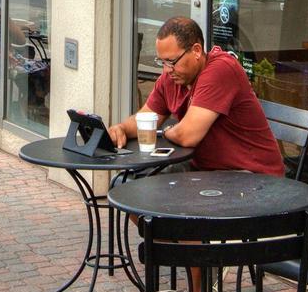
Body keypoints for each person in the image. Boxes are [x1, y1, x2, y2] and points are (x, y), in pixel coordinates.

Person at [107, 16, 285, 177]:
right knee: (130, 185)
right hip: (207, 171)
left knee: (155, 195)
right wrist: (121, 128)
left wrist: (168, 131)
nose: (167, 69)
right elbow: (144, 120)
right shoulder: (171, 78)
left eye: (172, 61)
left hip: (254, 176)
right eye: (162, 62)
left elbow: (187, 135)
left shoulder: (221, 69)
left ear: (197, 50)